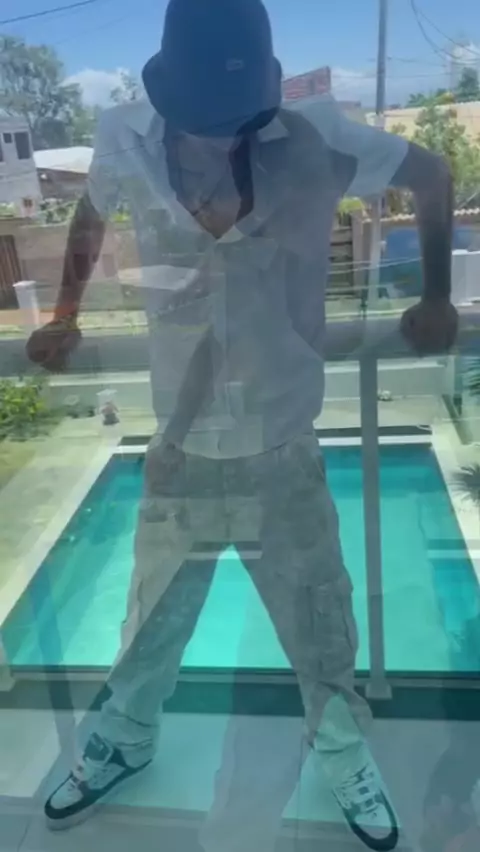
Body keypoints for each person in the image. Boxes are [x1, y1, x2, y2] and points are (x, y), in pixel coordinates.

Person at [27, 0, 458, 849]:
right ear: (167, 92)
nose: (221, 135)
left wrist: (437, 294)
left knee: (319, 619)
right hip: (180, 445)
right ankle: (125, 739)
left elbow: (434, 176)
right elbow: (90, 216)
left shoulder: (318, 138)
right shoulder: (124, 137)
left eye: (236, 118)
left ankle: (341, 753)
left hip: (282, 444)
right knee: (150, 616)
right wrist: (66, 313)